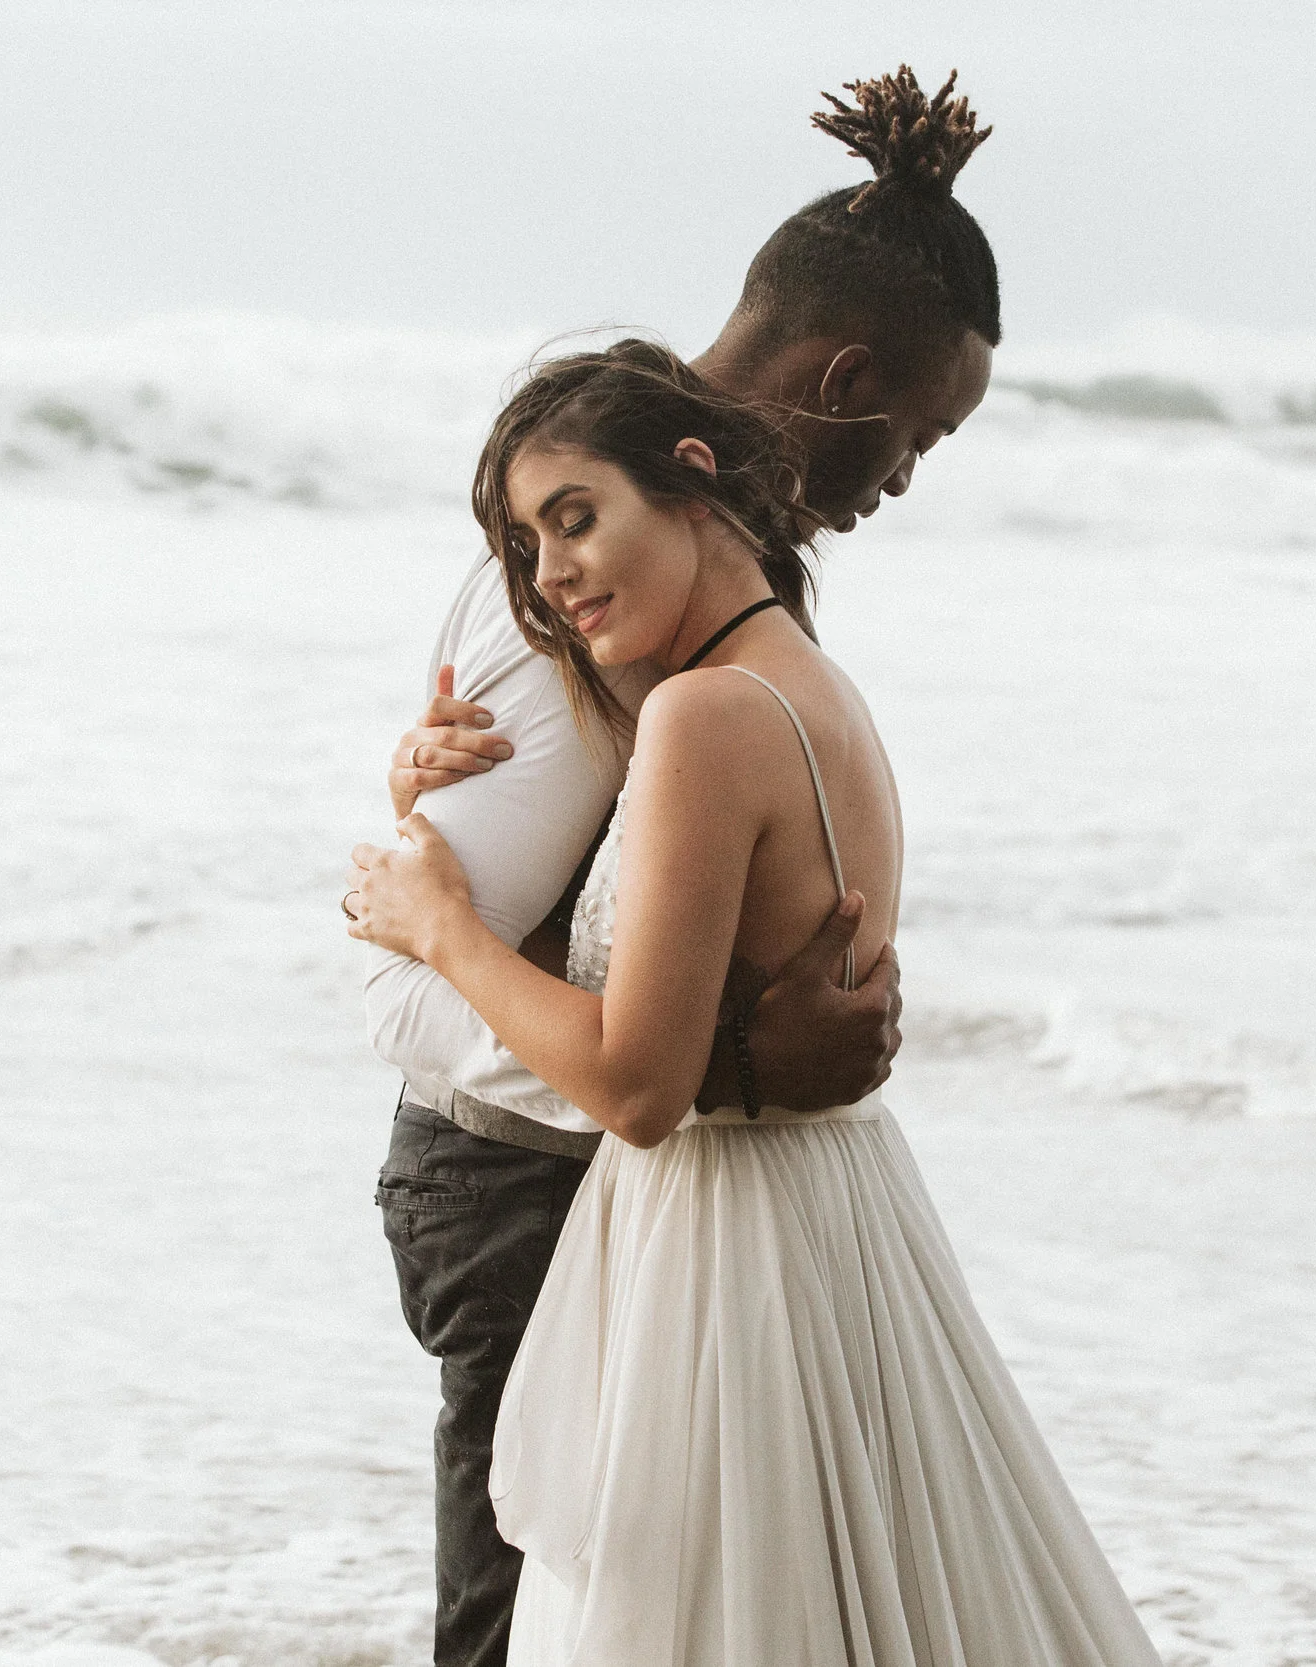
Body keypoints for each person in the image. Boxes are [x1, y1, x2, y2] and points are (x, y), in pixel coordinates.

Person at [345, 324, 1161, 1661]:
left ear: (689, 478)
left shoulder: (701, 720)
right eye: (524, 548)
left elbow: (636, 1083)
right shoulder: (821, 693)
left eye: (573, 521)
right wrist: (431, 797)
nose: (547, 581)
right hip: (838, 1221)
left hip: (716, 1249)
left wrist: (442, 925)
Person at [361, 68, 1007, 1666]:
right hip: (521, 1191)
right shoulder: (591, 577)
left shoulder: (731, 630)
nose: (909, 474)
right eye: (917, 431)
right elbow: (404, 976)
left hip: (666, 1190)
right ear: (846, 374)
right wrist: (722, 1063)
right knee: (528, 1629)